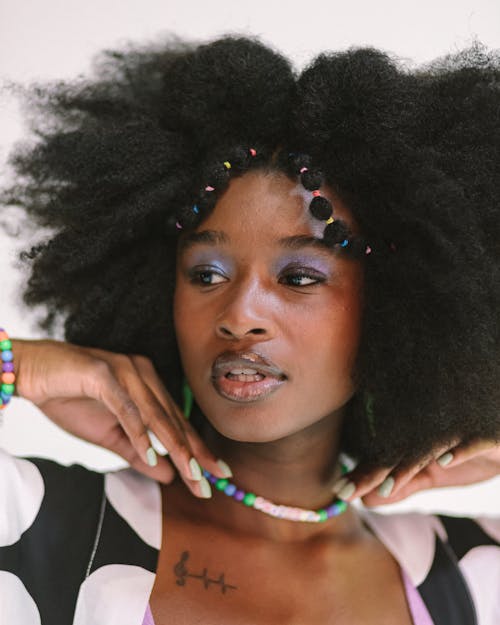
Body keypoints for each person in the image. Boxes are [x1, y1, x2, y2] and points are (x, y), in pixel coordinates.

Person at [0, 35, 499, 625]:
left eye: (299, 277)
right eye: (207, 273)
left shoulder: (474, 572)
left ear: (398, 303)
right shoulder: (38, 521)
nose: (239, 315)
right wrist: (20, 365)